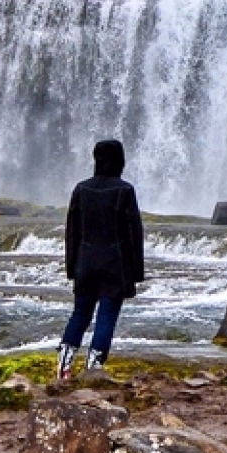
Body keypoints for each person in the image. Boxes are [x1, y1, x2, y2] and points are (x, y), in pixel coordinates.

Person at [57, 138, 146, 379]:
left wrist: (72, 267)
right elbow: (133, 233)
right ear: (120, 161)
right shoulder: (124, 190)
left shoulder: (81, 189)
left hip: (85, 264)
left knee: (80, 314)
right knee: (106, 317)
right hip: (114, 266)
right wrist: (136, 272)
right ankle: (93, 369)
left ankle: (63, 366)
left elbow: (72, 232)